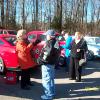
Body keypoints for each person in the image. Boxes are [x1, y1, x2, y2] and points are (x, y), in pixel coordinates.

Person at [39, 29, 60, 100]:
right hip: (52, 63)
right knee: (51, 79)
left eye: (47, 35)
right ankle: (52, 93)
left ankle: (48, 95)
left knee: (46, 80)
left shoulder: (49, 42)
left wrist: (41, 60)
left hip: (47, 63)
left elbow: (47, 53)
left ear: (50, 36)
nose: (46, 36)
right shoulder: (56, 42)